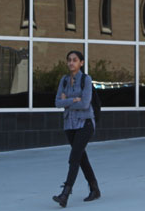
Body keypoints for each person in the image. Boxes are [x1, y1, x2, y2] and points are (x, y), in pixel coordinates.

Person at [52, 51, 100, 207]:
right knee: (81, 157)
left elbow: (85, 104)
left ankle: (65, 194)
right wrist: (74, 99)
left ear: (81, 63)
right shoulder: (64, 80)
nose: (71, 63)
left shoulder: (86, 80)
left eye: (75, 60)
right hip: (69, 125)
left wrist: (67, 101)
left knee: (74, 157)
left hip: (85, 123)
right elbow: (57, 102)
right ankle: (94, 189)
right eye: (69, 60)